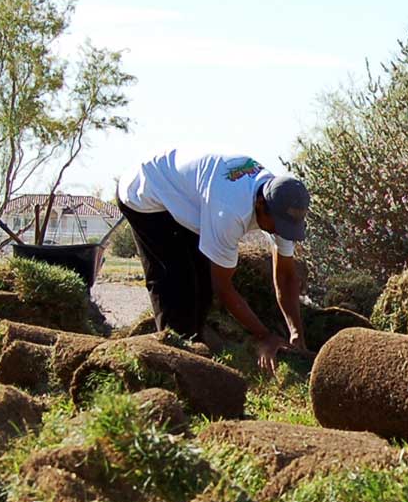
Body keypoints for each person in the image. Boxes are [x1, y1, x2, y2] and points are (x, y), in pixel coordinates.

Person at [116, 150, 311, 369]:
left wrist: (296, 333)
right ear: (259, 205)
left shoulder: (281, 205)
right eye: (277, 225)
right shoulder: (230, 212)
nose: (280, 231)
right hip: (145, 192)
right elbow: (224, 287)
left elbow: (285, 277)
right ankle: (172, 364)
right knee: (175, 281)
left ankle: (194, 347)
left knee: (201, 281)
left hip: (192, 199)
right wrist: (264, 336)